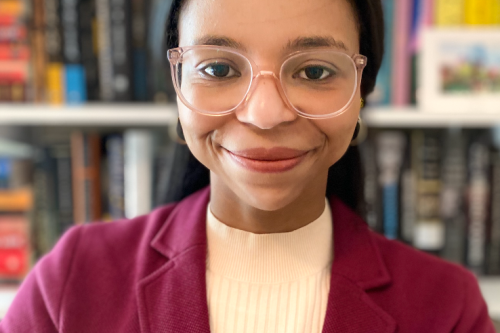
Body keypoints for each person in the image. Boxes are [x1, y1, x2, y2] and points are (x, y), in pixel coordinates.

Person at [1, 0, 496, 332]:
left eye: (315, 71)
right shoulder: (71, 281)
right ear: (178, 86)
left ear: (360, 92)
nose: (265, 114)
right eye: (218, 68)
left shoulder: (445, 306)